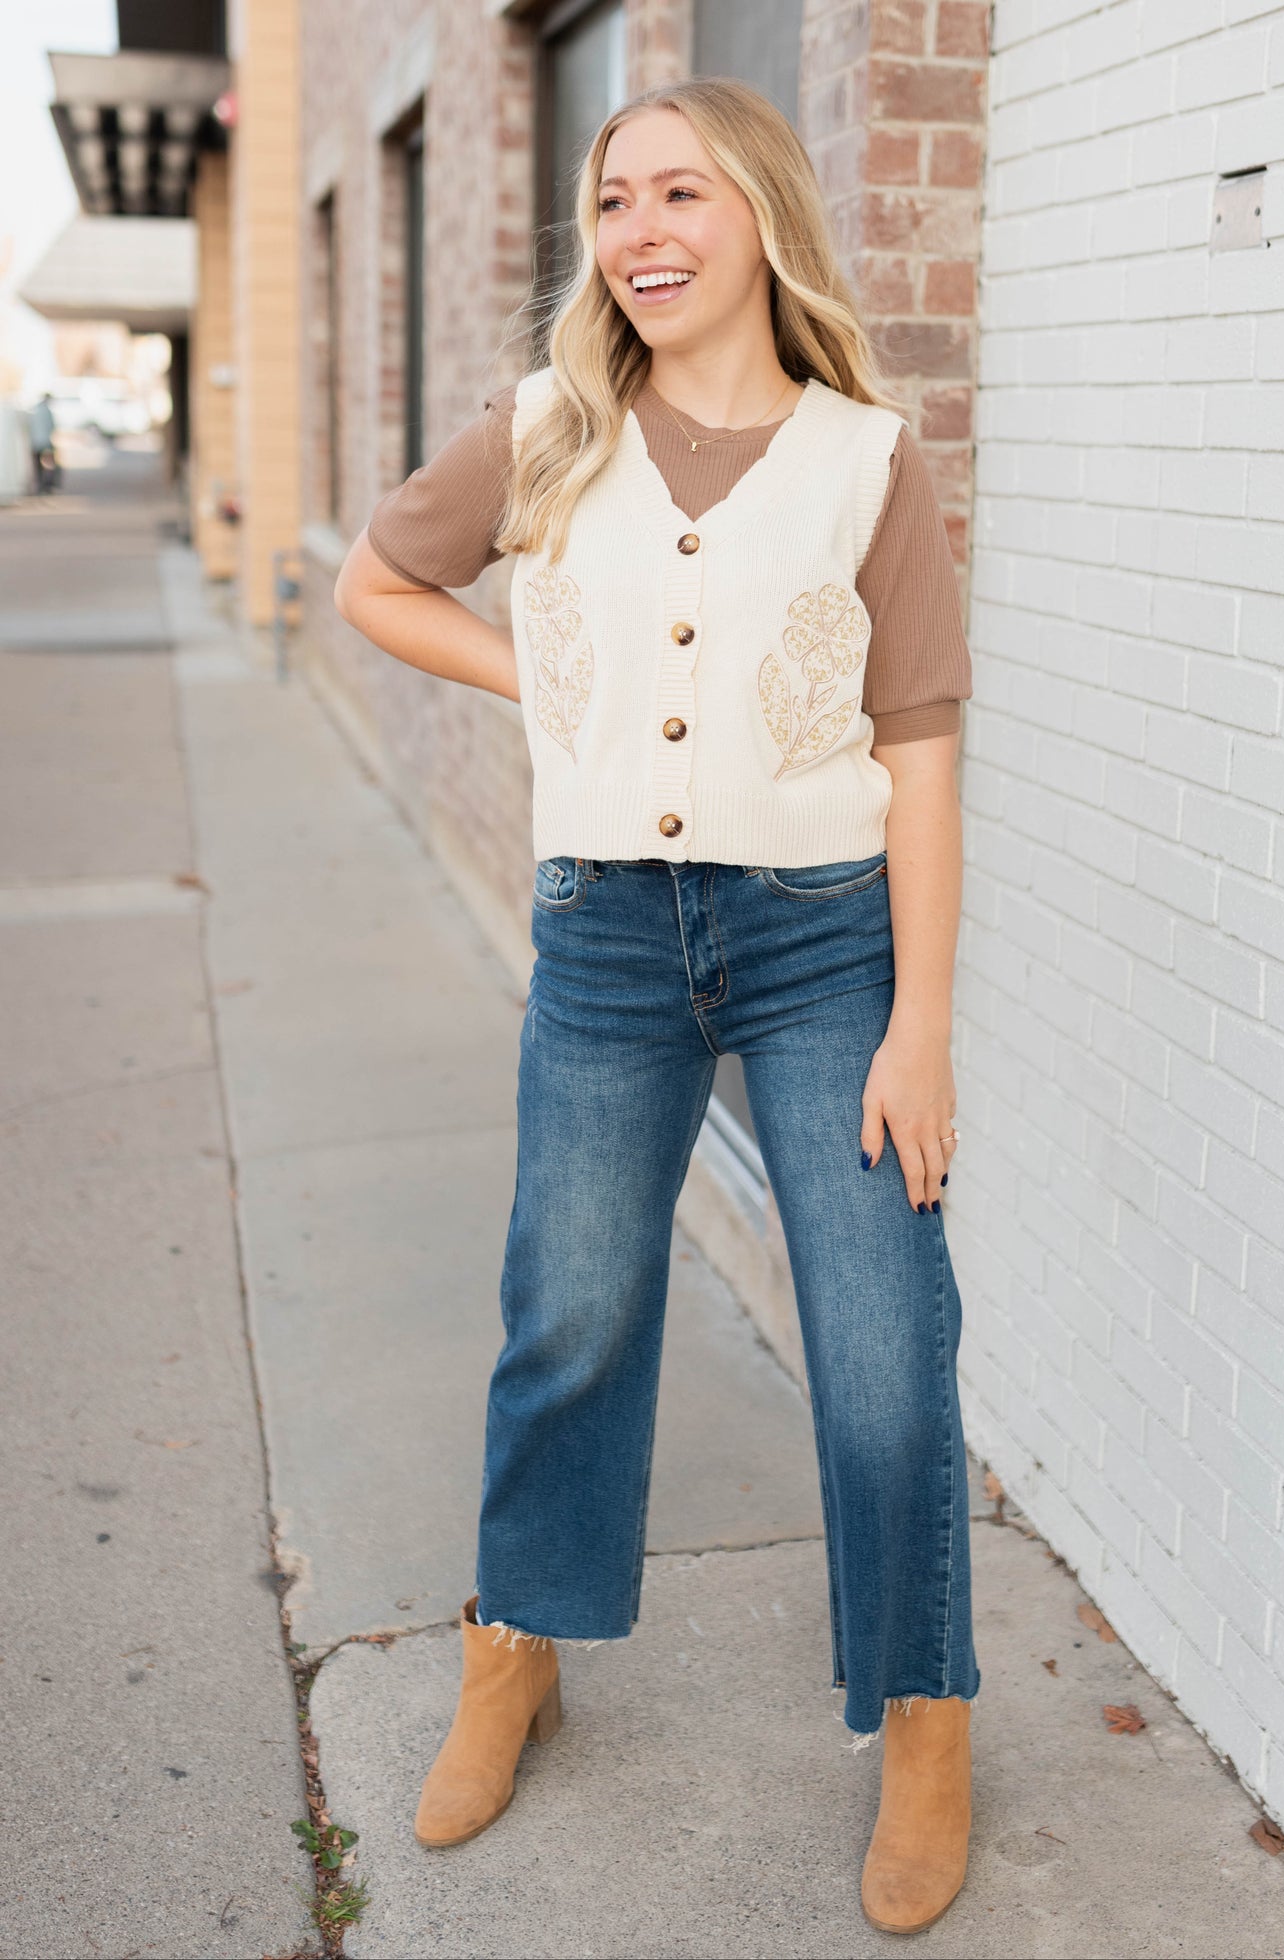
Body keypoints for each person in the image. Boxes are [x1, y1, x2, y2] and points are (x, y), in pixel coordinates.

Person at [334, 75, 979, 1936]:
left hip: (821, 943)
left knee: (881, 1340)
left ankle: (924, 1712)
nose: (640, 232)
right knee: (574, 1314)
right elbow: (383, 582)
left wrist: (919, 1021)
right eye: (614, 202)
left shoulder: (869, 458)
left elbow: (920, 751)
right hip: (608, 937)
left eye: (679, 193)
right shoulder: (547, 428)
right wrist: (550, 692)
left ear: (763, 214)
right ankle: (515, 1649)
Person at [28, 394, 57, 495]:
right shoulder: (47, 411)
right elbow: (52, 426)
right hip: (45, 442)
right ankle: (48, 485)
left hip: (35, 442)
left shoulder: (34, 410)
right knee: (49, 464)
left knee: (37, 466)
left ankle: (39, 485)